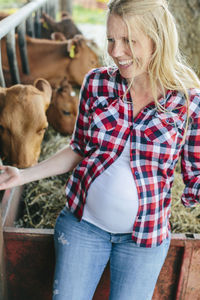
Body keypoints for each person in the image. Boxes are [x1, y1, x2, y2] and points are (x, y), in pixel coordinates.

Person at [0, 0, 200, 299]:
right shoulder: (97, 83)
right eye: (111, 39)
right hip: (83, 226)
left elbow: (196, 173)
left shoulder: (188, 103)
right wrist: (23, 175)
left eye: (129, 41)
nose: (115, 51)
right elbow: (78, 148)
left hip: (144, 238)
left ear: (157, 39)